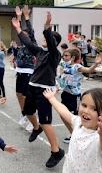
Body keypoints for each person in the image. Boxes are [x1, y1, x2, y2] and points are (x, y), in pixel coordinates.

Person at [12, 11, 65, 168]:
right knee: (28, 112)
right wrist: (18, 29)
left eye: (46, 38)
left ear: (53, 42)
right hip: (33, 86)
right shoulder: (40, 52)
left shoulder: (54, 55)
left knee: (45, 121)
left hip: (45, 91)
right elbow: (28, 43)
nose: (43, 40)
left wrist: (47, 27)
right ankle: (36, 128)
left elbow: (48, 39)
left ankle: (56, 151)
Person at [43, 88, 102, 172]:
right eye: (84, 105)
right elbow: (63, 111)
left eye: (94, 109)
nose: (86, 111)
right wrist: (52, 98)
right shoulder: (78, 123)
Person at [57, 48, 102, 143]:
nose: (64, 57)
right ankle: (73, 133)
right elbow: (55, 59)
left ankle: (80, 134)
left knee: (74, 117)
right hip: (65, 94)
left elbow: (89, 70)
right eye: (64, 56)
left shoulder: (77, 67)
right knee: (63, 114)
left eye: (66, 56)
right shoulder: (65, 64)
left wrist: (95, 63)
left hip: (74, 96)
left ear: (73, 57)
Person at [13, 5, 36, 131]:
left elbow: (30, 32)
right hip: (20, 72)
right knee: (18, 94)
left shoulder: (31, 44)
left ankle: (31, 118)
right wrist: (18, 17)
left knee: (26, 96)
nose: (23, 36)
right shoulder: (21, 44)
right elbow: (18, 28)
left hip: (28, 72)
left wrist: (26, 17)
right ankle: (24, 114)